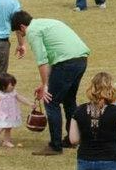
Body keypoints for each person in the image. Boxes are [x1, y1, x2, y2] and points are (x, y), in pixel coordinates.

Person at [10, 11, 90, 156]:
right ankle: (73, 139)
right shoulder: (46, 22)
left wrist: (45, 86)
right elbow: (56, 53)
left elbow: (42, 61)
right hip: (81, 60)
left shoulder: (32, 31)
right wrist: (44, 83)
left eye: (18, 31)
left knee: (51, 102)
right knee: (69, 100)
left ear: (22, 27)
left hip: (66, 64)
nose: (21, 35)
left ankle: (55, 145)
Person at [0, 72, 33, 148]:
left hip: (11, 113)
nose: (13, 86)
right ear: (3, 86)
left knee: (8, 127)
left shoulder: (13, 93)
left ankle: (6, 141)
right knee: (1, 126)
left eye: (14, 85)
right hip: (2, 114)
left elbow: (20, 98)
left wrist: (30, 104)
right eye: (11, 85)